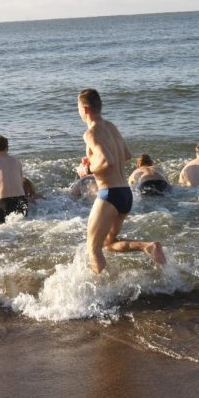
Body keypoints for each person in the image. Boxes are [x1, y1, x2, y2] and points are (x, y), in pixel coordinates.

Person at [77, 89, 165, 274]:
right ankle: (147, 246)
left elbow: (106, 161)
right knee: (108, 243)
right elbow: (125, 155)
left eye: (77, 108)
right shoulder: (111, 127)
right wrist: (94, 160)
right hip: (125, 193)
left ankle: (99, 296)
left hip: (109, 195)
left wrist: (87, 169)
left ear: (85, 109)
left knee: (93, 248)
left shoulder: (90, 133)